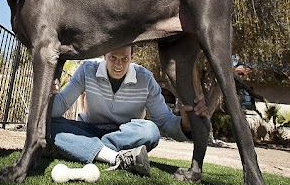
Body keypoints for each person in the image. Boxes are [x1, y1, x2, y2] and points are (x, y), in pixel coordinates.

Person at [48, 45, 208, 176]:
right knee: (47, 123)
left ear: (132, 58)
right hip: (89, 130)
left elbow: (164, 121)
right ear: (105, 55)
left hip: (125, 135)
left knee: (150, 131)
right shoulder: (86, 70)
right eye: (113, 58)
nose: (118, 64)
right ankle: (115, 157)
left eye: (124, 59)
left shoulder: (146, 79)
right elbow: (61, 105)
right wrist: (47, 96)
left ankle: (80, 148)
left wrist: (185, 124)